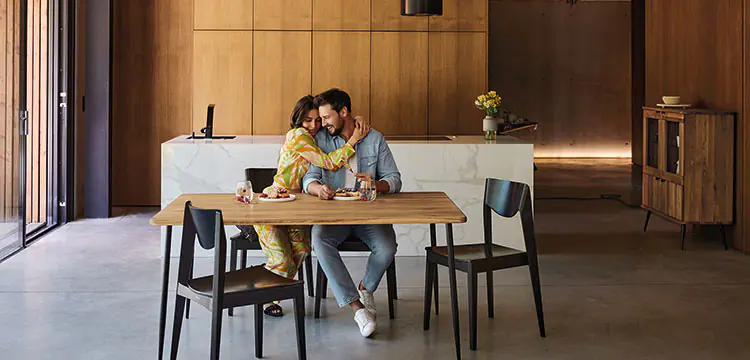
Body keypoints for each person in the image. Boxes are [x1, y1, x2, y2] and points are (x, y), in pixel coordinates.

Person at [238, 95, 370, 317]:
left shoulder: (315, 134)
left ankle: (269, 294)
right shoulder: (298, 135)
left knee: (302, 249)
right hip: (275, 200)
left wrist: (356, 118)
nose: (314, 126)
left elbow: (337, 122)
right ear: (299, 120)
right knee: (281, 259)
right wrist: (353, 140)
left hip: (297, 204)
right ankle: (260, 295)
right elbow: (329, 163)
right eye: (308, 120)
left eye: (317, 120)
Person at [303, 88, 402, 337]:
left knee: (388, 245)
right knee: (318, 239)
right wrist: (318, 189)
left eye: (326, 117)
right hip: (334, 216)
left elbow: (395, 180)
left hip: (368, 214)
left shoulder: (375, 138)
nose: (322, 124)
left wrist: (375, 184)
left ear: (344, 112)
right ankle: (357, 308)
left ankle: (365, 288)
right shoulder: (322, 141)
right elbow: (309, 179)